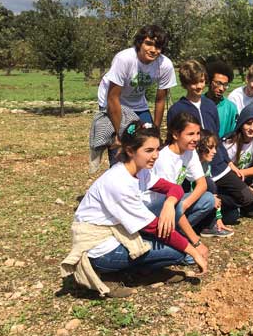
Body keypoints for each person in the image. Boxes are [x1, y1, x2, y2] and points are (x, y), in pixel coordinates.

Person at [61, 121, 207, 298]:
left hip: (117, 229)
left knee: (173, 211)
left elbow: (175, 188)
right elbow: (152, 227)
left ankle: (144, 269)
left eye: (157, 149)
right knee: (178, 253)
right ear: (130, 151)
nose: (155, 156)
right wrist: (193, 250)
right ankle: (107, 272)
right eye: (148, 151)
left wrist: (169, 203)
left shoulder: (141, 170)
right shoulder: (118, 182)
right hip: (98, 246)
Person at [167, 61, 253, 220]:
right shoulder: (176, 110)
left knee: (247, 196)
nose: (198, 86)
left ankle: (217, 200)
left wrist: (229, 163)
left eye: (201, 81)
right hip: (194, 167)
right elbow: (173, 144)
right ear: (185, 84)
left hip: (217, 164)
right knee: (228, 217)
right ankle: (210, 207)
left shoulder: (210, 106)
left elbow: (216, 137)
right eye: (193, 82)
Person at [96, 25, 177, 165]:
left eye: (158, 46)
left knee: (148, 143)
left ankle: (143, 180)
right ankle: (117, 174)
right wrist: (120, 135)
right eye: (149, 44)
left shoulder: (165, 65)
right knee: (121, 147)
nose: (153, 50)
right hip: (113, 102)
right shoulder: (124, 59)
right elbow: (112, 97)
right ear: (140, 43)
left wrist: (155, 130)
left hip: (138, 103)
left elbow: (160, 100)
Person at [148, 112, 216, 244]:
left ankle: (174, 233)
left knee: (208, 198)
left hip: (173, 203)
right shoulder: (165, 159)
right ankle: (166, 235)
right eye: (190, 134)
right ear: (175, 135)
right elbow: (167, 202)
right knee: (177, 207)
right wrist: (196, 242)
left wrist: (184, 205)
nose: (196, 138)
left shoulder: (189, 151)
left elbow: (202, 184)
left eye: (197, 133)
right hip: (156, 206)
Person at [196, 129, 235, 237]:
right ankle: (208, 226)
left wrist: (218, 217)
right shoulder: (191, 166)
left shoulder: (206, 165)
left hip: (204, 199)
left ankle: (214, 222)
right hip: (193, 201)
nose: (214, 152)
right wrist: (208, 198)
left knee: (233, 215)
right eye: (210, 147)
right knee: (210, 184)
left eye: (215, 147)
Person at [205, 61, 238, 138]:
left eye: (225, 85)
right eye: (218, 83)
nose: (221, 88)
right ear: (209, 82)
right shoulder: (199, 103)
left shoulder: (231, 108)